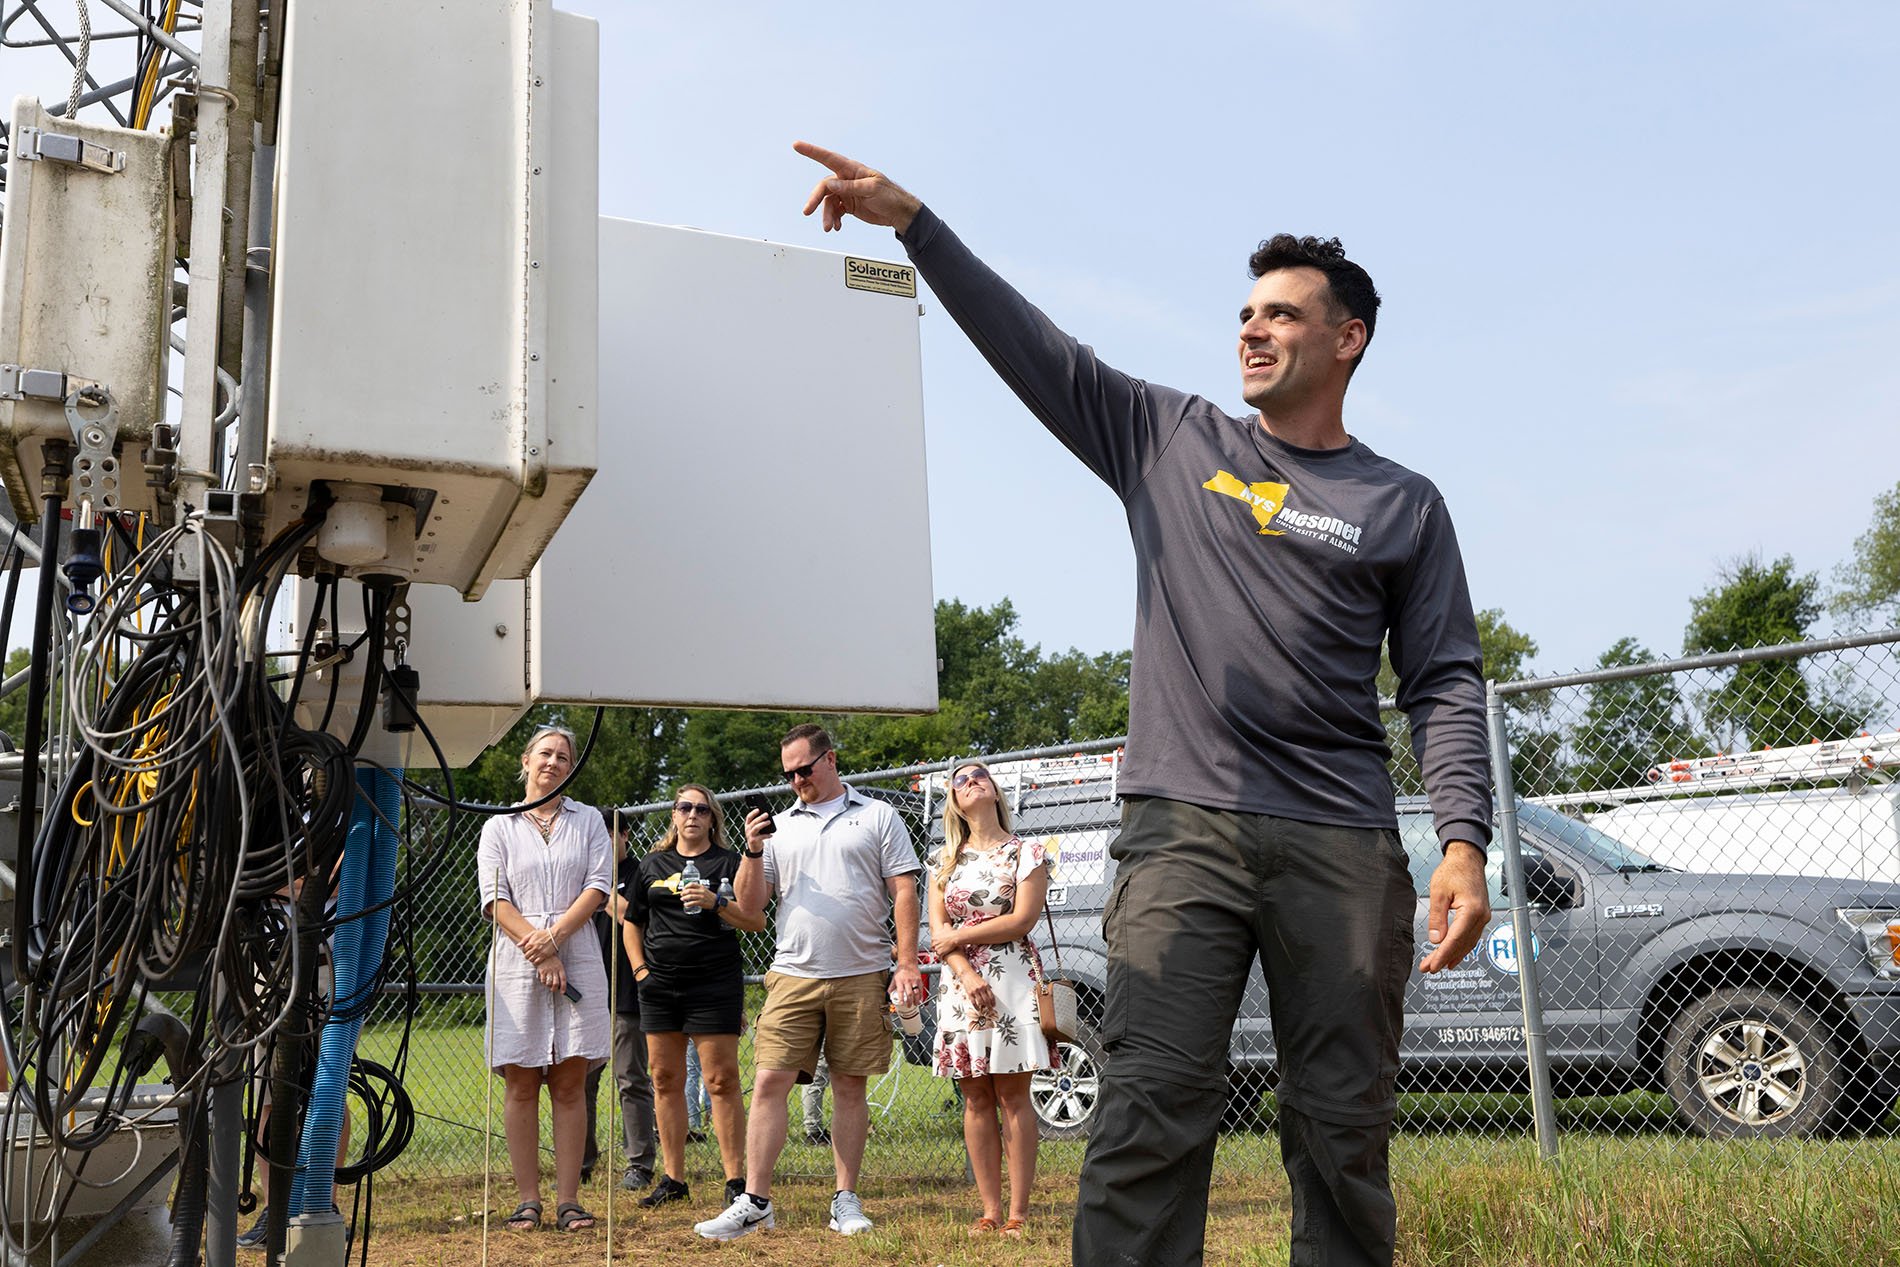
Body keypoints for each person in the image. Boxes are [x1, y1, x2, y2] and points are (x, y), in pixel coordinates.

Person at [793, 145, 1494, 1267]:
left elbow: (1445, 680)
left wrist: (1461, 839)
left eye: (1280, 315)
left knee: (1341, 1129)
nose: (1250, 331)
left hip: (1344, 844)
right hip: (1185, 829)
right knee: (1150, 1110)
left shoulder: (1402, 503)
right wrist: (917, 224)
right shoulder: (1170, 439)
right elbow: (1041, 355)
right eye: (1244, 313)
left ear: (1346, 338)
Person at [694, 724, 924, 1242]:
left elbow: (904, 890)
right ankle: (755, 1202)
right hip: (793, 974)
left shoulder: (877, 815)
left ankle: (845, 1199)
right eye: (789, 774)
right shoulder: (780, 828)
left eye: (805, 769)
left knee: (848, 1085)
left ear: (831, 760)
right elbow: (751, 908)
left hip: (861, 972)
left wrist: (906, 962)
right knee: (771, 1081)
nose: (797, 780)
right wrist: (751, 851)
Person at [477, 725, 613, 1234]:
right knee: (521, 1081)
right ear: (526, 760)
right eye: (545, 754)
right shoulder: (499, 826)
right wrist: (537, 948)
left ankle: (569, 1200)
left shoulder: (589, 822)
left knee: (571, 1081)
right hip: (517, 963)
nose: (553, 763)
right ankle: (527, 1199)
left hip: (576, 955)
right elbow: (495, 898)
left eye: (563, 756)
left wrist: (554, 940)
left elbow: (599, 886)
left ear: (572, 766)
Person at [624, 783, 764, 1212]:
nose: (693, 815)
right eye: (685, 807)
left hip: (714, 984)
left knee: (721, 1080)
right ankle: (673, 1178)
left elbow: (755, 921)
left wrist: (715, 902)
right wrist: (641, 971)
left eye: (702, 809)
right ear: (673, 814)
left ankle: (735, 1180)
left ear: (712, 819)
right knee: (664, 1080)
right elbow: (632, 923)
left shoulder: (728, 862)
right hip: (659, 986)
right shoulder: (651, 865)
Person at [929, 760, 1053, 1238]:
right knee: (976, 1096)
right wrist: (964, 971)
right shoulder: (944, 863)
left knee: (1012, 1095)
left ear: (994, 790)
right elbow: (938, 935)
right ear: (955, 801)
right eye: (959, 780)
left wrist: (960, 935)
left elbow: (1022, 920)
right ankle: (989, 1210)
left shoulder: (1027, 853)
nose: (970, 781)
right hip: (961, 989)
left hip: (1013, 983)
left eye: (979, 775)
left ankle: (1019, 1213)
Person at [583, 817, 657, 1193]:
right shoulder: (581, 874)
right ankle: (581, 1161)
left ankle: (639, 1163)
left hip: (626, 994)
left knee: (631, 1080)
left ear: (624, 835)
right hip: (586, 995)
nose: (602, 842)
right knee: (580, 1082)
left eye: (609, 835)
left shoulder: (641, 872)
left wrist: (602, 896)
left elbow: (643, 919)